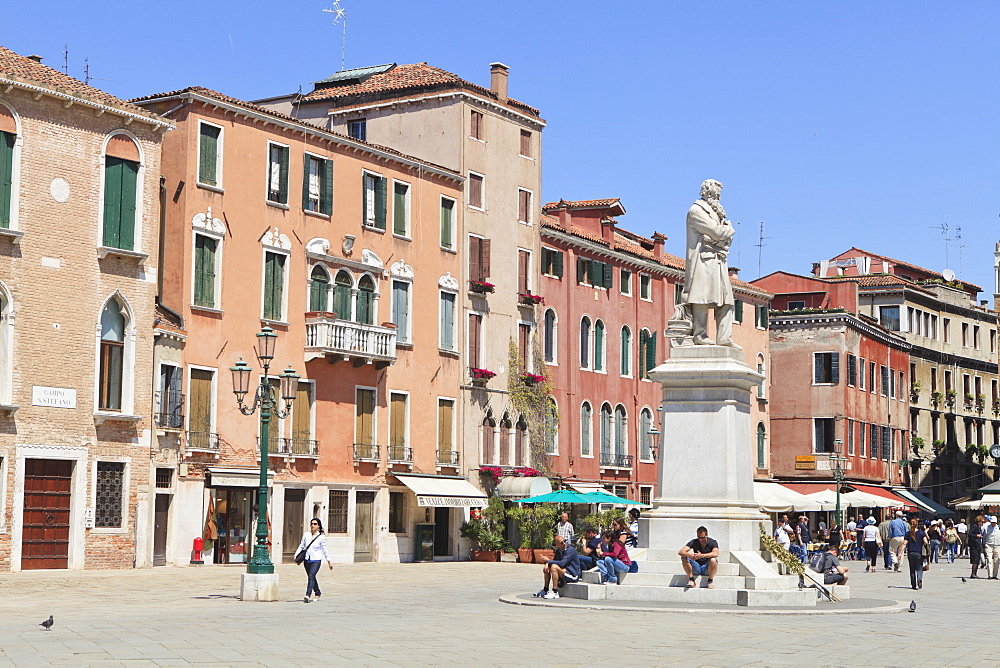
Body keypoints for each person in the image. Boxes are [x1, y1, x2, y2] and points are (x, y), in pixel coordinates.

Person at [679, 179, 738, 347]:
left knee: (727, 301)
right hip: (702, 262)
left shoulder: (714, 213)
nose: (718, 198)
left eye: (719, 195)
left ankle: (724, 338)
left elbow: (720, 237)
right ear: (708, 193)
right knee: (701, 298)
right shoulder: (696, 211)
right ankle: (700, 335)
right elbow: (717, 232)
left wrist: (721, 236)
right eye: (716, 194)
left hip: (718, 261)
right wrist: (728, 230)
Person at [297, 518, 333, 603]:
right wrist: (296, 554)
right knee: (311, 576)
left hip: (316, 560)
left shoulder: (321, 537)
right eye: (311, 524)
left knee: (311, 576)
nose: (312, 525)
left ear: (318, 526)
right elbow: (302, 545)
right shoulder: (306, 535)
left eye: (315, 524)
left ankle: (307, 595)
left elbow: (324, 550)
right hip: (307, 559)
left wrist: (329, 561)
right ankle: (317, 592)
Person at [535, 534, 581, 599]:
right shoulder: (557, 551)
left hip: (573, 574)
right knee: (547, 568)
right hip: (564, 572)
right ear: (557, 545)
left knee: (554, 567)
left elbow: (562, 563)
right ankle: (545, 589)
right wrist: (547, 564)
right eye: (562, 542)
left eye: (565, 541)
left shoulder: (570, 550)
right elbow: (555, 560)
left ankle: (555, 592)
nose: (564, 543)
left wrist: (548, 561)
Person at [903, 518, 928, 590]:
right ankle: (919, 579)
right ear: (917, 524)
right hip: (919, 552)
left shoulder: (908, 533)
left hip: (910, 552)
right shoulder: (921, 532)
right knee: (919, 568)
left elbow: (904, 543)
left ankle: (913, 585)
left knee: (912, 569)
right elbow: (926, 542)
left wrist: (900, 553)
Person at [968, 514, 985, 578]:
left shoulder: (978, 527)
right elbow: (970, 534)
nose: (983, 523)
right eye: (982, 522)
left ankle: (974, 573)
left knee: (977, 560)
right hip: (974, 546)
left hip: (977, 545)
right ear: (979, 521)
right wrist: (977, 535)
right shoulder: (975, 526)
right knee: (975, 560)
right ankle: (973, 574)